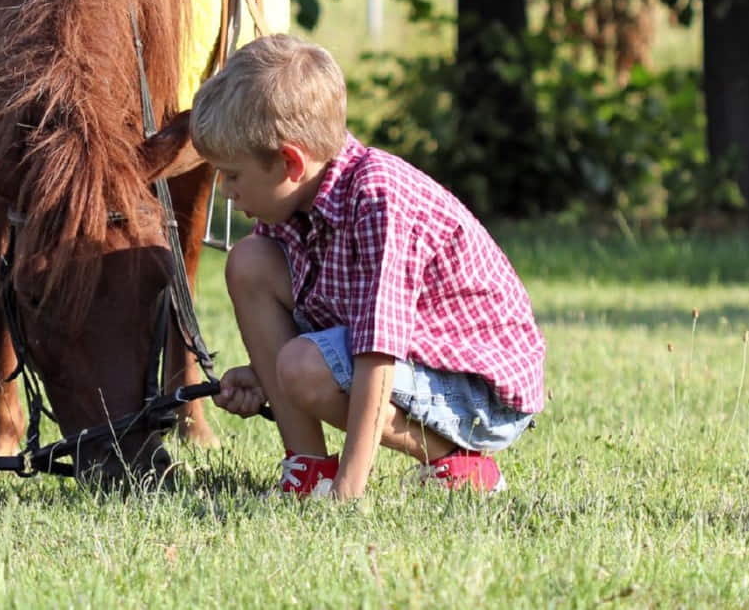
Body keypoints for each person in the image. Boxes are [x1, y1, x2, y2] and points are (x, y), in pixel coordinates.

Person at [192, 35, 545, 498]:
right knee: (249, 261)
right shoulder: (291, 209)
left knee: (302, 366)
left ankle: (454, 461)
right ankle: (308, 470)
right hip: (411, 367)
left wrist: (350, 490)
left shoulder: (379, 200)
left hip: (479, 392)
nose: (225, 190)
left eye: (232, 175)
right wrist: (265, 377)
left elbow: (377, 352)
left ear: (290, 162)